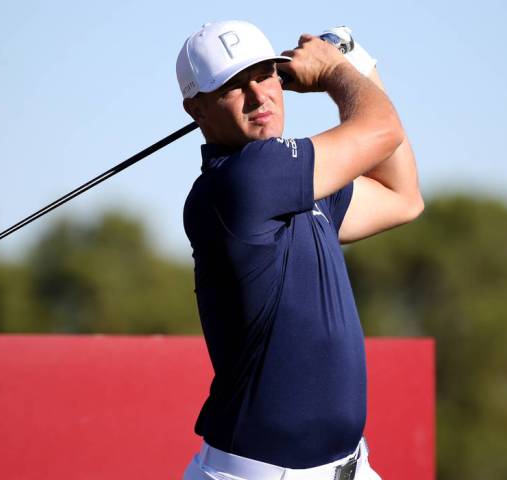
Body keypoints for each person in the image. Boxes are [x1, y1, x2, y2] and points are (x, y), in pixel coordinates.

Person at [178, 21, 423, 480]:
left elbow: (403, 197)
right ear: (197, 109)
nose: (259, 96)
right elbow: (380, 129)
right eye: (234, 87)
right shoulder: (241, 181)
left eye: (267, 75)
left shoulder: (296, 183)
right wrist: (335, 71)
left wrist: (360, 65)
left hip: (352, 466)